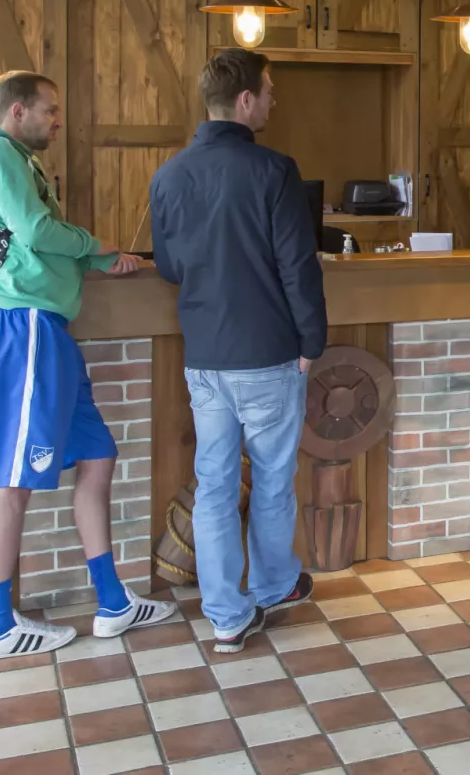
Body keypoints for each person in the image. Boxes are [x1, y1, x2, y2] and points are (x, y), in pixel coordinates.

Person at [0, 70, 175, 661]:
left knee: (98, 456)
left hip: (47, 327)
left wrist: (99, 263)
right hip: (23, 326)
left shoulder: (15, 158)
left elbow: (34, 243)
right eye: (49, 110)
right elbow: (34, 230)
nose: (57, 120)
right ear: (18, 111)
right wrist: (94, 245)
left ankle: (113, 602)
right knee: (12, 480)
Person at [150, 50, 329, 653]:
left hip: (204, 355)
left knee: (215, 485)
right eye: (269, 91)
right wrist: (312, 340)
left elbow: (169, 267)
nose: (274, 101)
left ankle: (226, 616)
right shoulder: (274, 171)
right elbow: (298, 267)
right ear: (245, 99)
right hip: (268, 352)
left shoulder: (168, 175)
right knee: (273, 480)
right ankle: (274, 585)